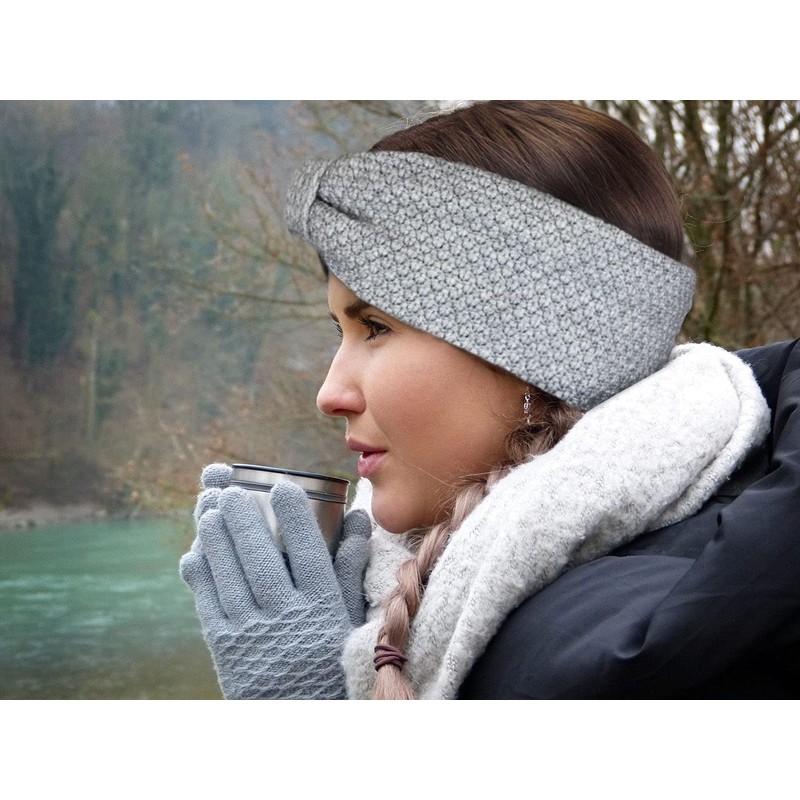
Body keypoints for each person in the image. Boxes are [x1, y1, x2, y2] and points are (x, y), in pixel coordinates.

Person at [180, 101, 800, 700]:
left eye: (375, 327)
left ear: (542, 357)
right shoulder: (449, 584)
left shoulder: (613, 651)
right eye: (338, 331)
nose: (329, 394)